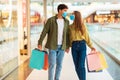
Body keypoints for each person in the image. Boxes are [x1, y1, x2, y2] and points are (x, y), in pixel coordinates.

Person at [38, 4, 69, 80]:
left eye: (66, 11)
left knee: (59, 65)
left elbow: (67, 34)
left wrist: (67, 46)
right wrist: (40, 42)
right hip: (52, 46)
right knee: (52, 65)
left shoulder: (66, 21)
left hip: (62, 47)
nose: (66, 12)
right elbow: (44, 32)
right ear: (60, 10)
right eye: (65, 11)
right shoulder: (51, 20)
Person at [68, 11, 95, 80]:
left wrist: (91, 46)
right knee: (76, 66)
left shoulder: (83, 26)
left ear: (76, 16)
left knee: (81, 66)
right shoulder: (70, 27)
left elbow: (87, 36)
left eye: (72, 15)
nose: (71, 16)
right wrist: (67, 46)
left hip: (82, 46)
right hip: (74, 47)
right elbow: (68, 38)